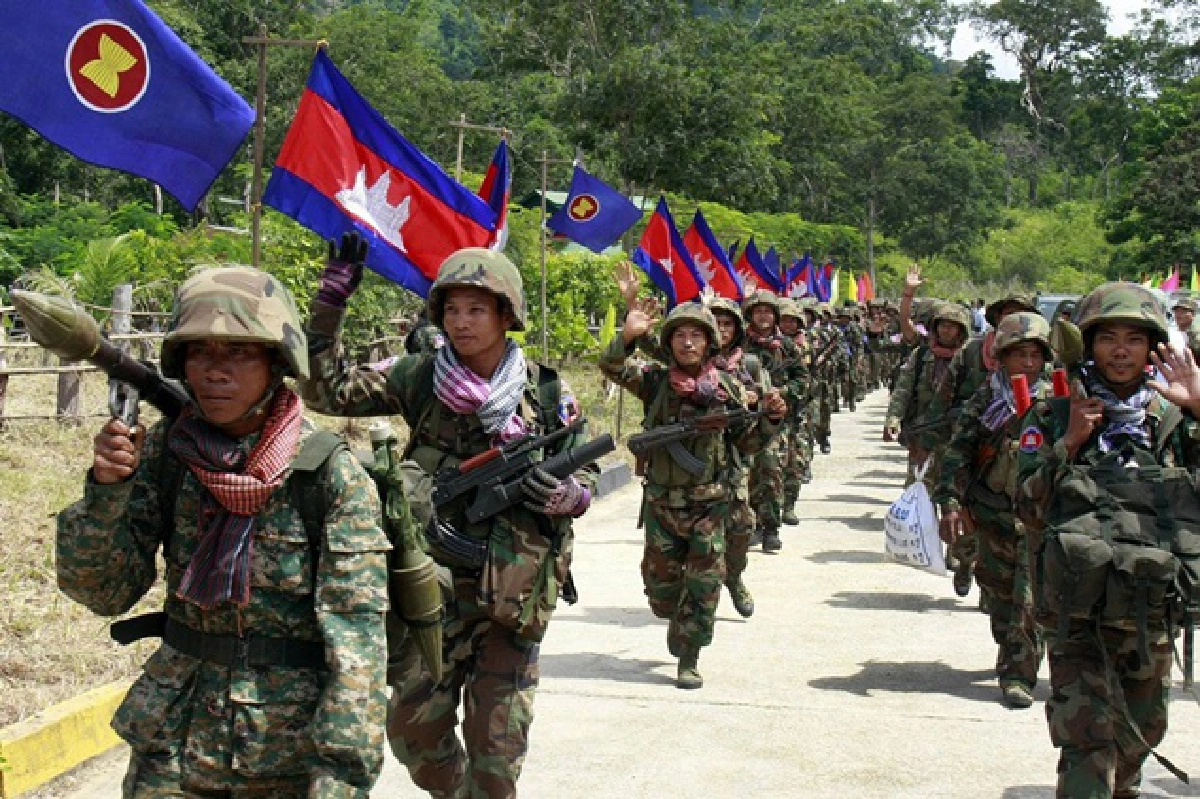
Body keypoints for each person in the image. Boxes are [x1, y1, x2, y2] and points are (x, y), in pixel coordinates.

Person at [56, 266, 390, 798]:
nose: (215, 371)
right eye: (201, 352)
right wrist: (106, 490)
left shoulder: (327, 473)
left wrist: (342, 776)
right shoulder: (168, 453)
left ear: (277, 363)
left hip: (282, 753)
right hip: (175, 738)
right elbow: (102, 591)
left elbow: (357, 645)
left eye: (239, 352)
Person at [303, 240, 596, 798]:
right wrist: (331, 302)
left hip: (512, 600)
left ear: (506, 316)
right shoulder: (421, 376)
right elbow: (326, 389)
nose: (462, 323)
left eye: (477, 310)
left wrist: (568, 497)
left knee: (497, 763)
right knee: (414, 736)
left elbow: (587, 469)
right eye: (453, 310)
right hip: (432, 595)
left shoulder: (548, 392)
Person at [1017, 282, 1198, 798]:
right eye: (1108, 338)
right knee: (1086, 740)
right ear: (1089, 345)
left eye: (1134, 340)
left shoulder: (1174, 417)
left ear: (1153, 347)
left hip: (1150, 606)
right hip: (1077, 611)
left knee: (1139, 735)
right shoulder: (1054, 412)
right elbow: (1026, 506)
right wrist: (1068, 442)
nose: (1121, 351)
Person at [600, 290, 785, 687]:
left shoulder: (729, 389)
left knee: (703, 588)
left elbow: (747, 444)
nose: (688, 342)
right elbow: (612, 365)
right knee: (661, 591)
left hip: (711, 507)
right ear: (668, 343)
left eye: (697, 336)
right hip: (663, 505)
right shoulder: (655, 383)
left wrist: (769, 420)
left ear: (710, 343)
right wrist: (627, 336)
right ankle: (675, 617)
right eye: (680, 335)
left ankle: (689, 655)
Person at [933, 312, 1053, 708]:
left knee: (1029, 599)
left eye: (1035, 355)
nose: (1029, 363)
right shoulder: (987, 399)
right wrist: (949, 500)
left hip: (1041, 518)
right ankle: (1012, 650)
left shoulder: (1060, 397)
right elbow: (958, 453)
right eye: (1019, 355)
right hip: (993, 513)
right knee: (1000, 597)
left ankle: (1018, 674)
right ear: (1001, 357)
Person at [741, 289, 809, 550]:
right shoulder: (740, 345)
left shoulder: (787, 347)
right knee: (747, 471)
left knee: (771, 468)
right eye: (758, 311)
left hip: (777, 418)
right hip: (745, 417)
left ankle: (770, 526)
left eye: (768, 311)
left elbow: (802, 380)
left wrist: (782, 392)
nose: (763, 316)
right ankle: (751, 523)